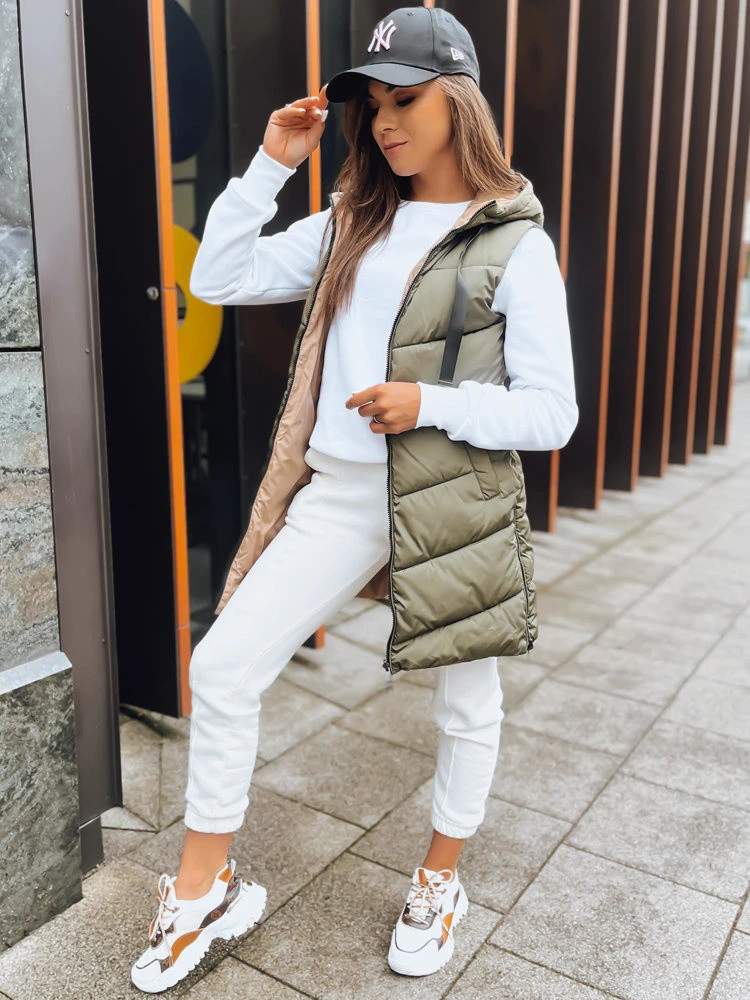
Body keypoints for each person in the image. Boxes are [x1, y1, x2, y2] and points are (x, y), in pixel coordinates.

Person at [131, 5, 577, 992]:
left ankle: (439, 881)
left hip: (452, 495)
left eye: (404, 99)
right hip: (338, 493)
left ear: (458, 101)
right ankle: (205, 891)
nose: (383, 122)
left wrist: (431, 402)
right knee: (223, 665)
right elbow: (219, 276)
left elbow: (554, 413)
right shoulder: (351, 221)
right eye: (372, 104)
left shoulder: (513, 244)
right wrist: (269, 165)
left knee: (467, 700)